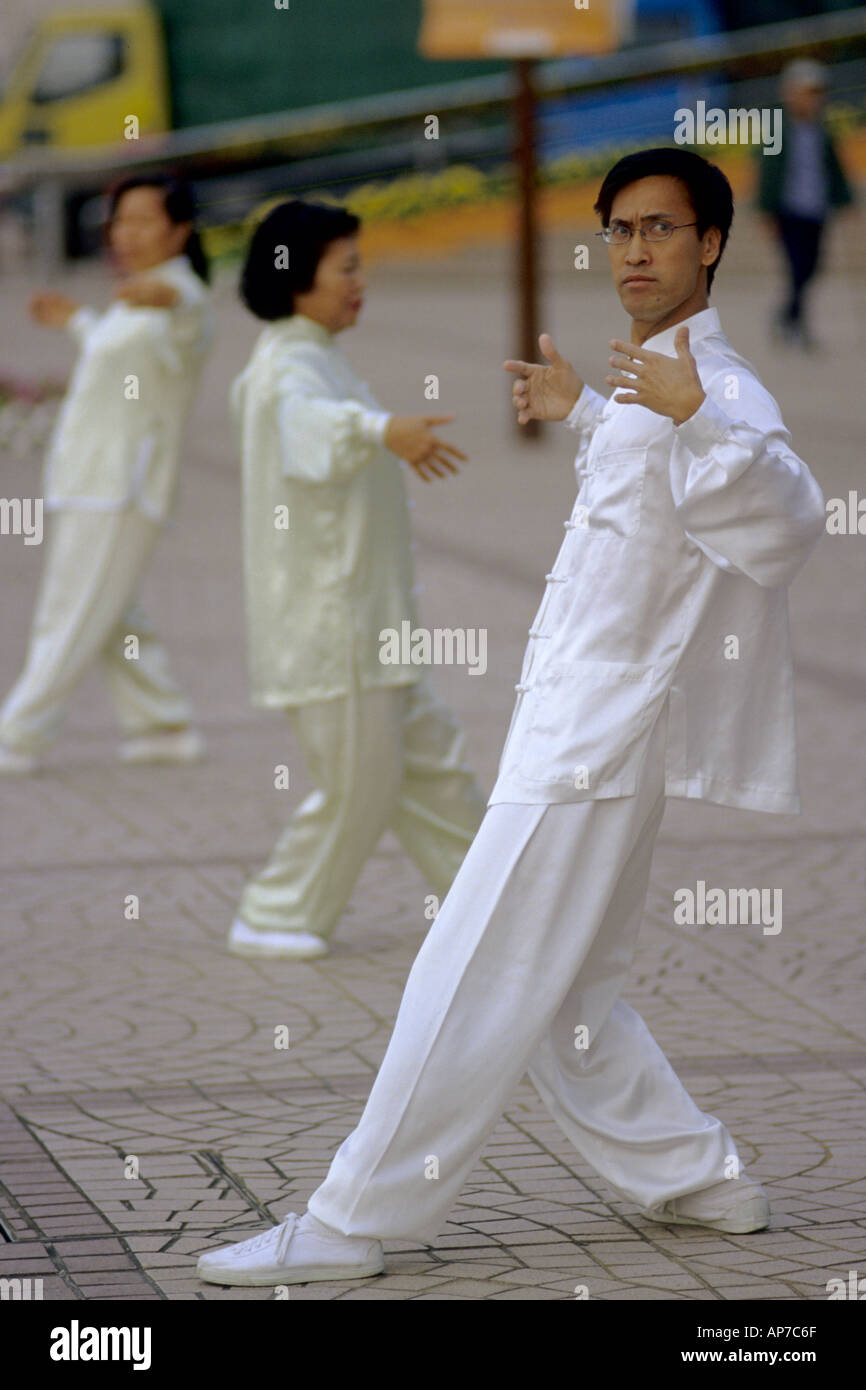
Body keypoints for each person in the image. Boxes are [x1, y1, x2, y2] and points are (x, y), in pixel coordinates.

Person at [197, 148, 825, 1287]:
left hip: (592, 741)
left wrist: (697, 424)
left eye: (660, 230)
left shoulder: (715, 388)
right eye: (618, 231)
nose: (634, 252)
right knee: (568, 995)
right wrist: (586, 409)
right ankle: (697, 1175)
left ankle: (349, 1218)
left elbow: (785, 517)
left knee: (467, 963)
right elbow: (652, 499)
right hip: (582, 725)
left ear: (712, 245)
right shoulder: (650, 378)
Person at [226, 199, 487, 960]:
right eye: (346, 268)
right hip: (332, 627)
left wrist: (382, 432)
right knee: (358, 789)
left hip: (371, 623)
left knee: (432, 767)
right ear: (296, 277)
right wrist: (380, 430)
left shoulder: (315, 353)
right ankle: (273, 913)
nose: (360, 282)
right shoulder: (286, 366)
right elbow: (309, 434)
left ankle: (493, 907)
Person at [0, 174, 213, 773]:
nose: (129, 233)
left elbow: (188, 320)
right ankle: (162, 725)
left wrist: (168, 297)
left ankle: (19, 734)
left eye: (145, 221)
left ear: (179, 230)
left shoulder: (182, 296)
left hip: (123, 485)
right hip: (86, 476)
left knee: (69, 609)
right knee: (111, 610)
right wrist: (75, 321)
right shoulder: (127, 298)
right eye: (121, 221)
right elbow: (115, 352)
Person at [757, 58, 854, 350]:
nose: (813, 99)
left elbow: (833, 168)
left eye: (817, 93)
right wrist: (766, 211)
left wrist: (845, 200)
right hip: (789, 210)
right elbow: (767, 170)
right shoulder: (777, 126)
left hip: (816, 208)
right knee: (798, 267)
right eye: (807, 92)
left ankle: (787, 317)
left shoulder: (822, 130)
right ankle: (796, 325)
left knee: (812, 266)